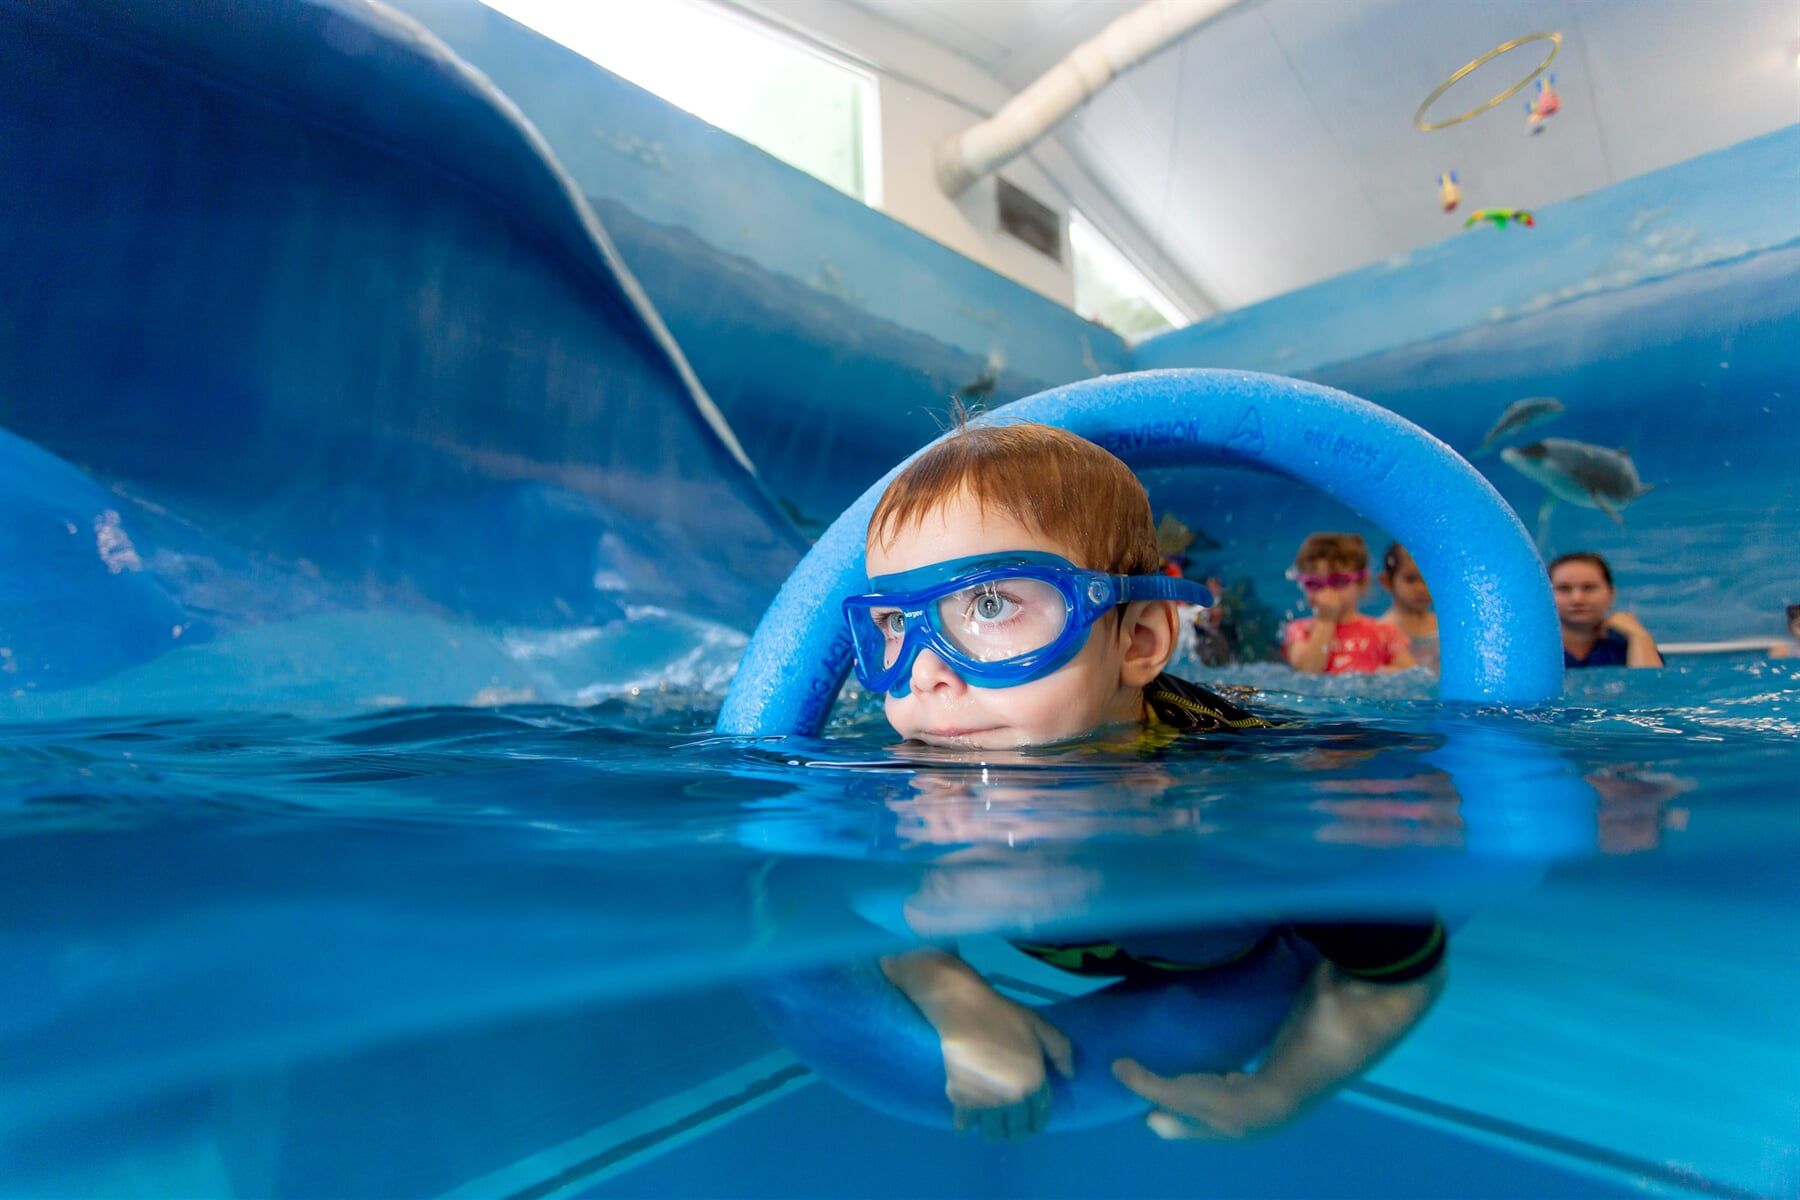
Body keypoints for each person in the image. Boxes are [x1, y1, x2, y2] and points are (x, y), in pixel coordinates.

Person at [847, 422, 1445, 1141]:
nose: (921, 673)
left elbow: (1395, 970)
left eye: (991, 604)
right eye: (891, 622)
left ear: (1138, 641)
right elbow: (842, 895)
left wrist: (1278, 1095)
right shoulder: (914, 769)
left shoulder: (1264, 802)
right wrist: (944, 985)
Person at [1282, 534, 1416, 675]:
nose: (1326, 592)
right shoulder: (1299, 631)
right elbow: (1307, 672)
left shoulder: (1385, 632)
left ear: (1363, 583)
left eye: (1338, 582)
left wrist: (1387, 675)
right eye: (1313, 584)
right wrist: (1325, 621)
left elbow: (1412, 677)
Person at [1549, 552, 1662, 668]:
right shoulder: (1536, 649)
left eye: (1589, 588)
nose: (1577, 599)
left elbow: (1650, 684)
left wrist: (1638, 635)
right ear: (1545, 597)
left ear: (1611, 594)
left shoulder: (1627, 645)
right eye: (1564, 588)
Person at [1377, 543, 1438, 674]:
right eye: (1411, 579)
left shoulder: (1443, 627)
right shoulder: (1379, 633)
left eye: (1428, 579)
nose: (1422, 588)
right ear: (1386, 581)